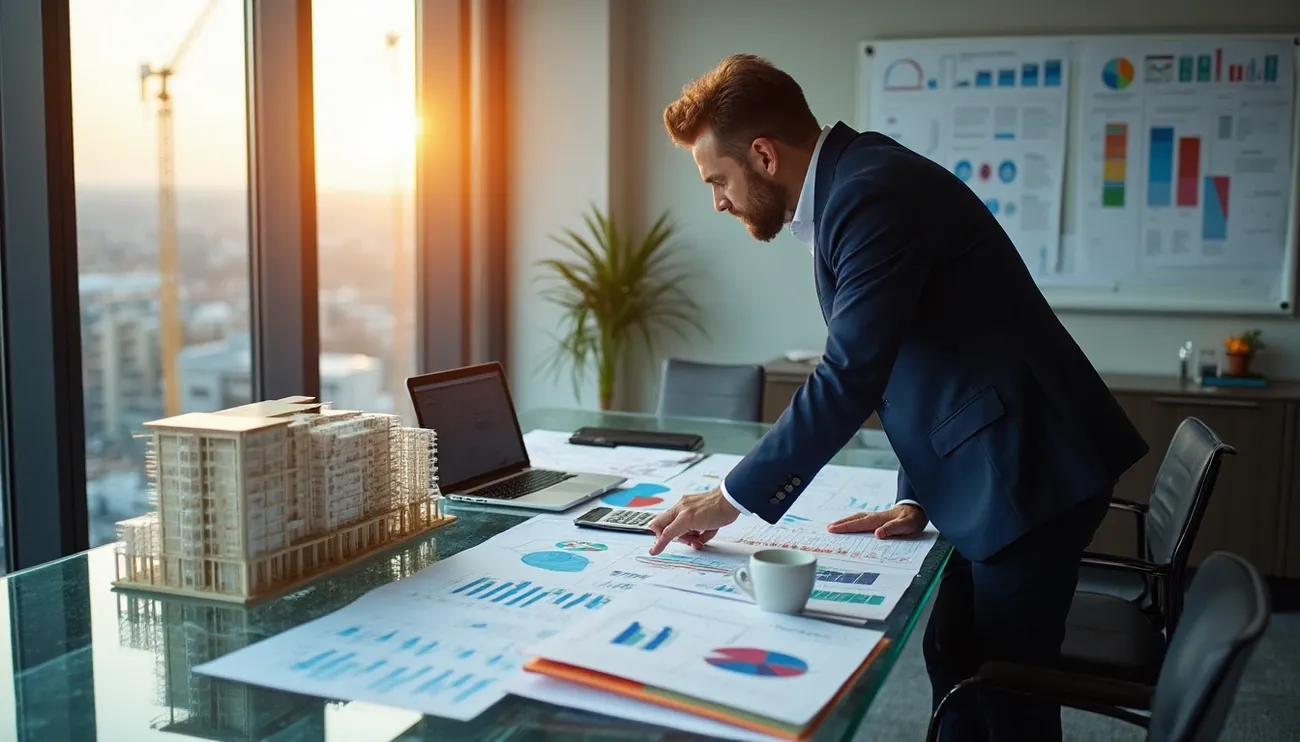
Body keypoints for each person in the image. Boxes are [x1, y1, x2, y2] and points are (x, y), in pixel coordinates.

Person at [646, 54, 1149, 742]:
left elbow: (851, 372)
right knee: (956, 658)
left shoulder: (868, 192)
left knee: (1006, 693)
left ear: (763, 155)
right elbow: (921, 356)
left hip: (1025, 472)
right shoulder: (859, 178)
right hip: (997, 462)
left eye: (718, 180)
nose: (719, 202)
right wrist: (918, 492)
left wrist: (728, 497)